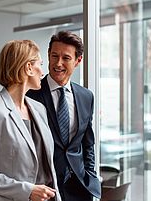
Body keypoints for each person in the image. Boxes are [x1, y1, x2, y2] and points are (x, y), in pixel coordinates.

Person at [0, 40, 61, 201]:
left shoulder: (39, 109)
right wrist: (27, 191)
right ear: (28, 67)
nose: (42, 72)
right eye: (40, 64)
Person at [27, 31, 101, 201]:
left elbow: (87, 142)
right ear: (48, 55)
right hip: (45, 187)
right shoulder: (30, 95)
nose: (58, 63)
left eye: (66, 58)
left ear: (78, 60)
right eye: (54, 56)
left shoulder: (86, 96)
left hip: (80, 187)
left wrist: (90, 175)